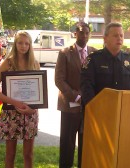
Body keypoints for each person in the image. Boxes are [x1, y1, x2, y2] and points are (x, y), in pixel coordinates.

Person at [0, 31, 40, 168]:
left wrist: (32, 109)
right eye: (20, 43)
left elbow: (40, 93)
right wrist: (14, 102)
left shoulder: (35, 64)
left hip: (29, 114)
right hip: (11, 114)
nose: (23, 46)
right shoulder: (7, 63)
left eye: (26, 43)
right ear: (15, 44)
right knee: (10, 154)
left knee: (28, 154)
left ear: (30, 45)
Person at [55, 21, 97, 168]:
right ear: (75, 33)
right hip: (69, 106)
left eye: (87, 32)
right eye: (81, 32)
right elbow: (59, 80)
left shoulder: (95, 53)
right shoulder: (65, 53)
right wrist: (77, 97)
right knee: (67, 144)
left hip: (88, 108)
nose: (84, 35)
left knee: (86, 145)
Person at [81, 22, 130, 110]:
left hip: (124, 111)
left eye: (121, 36)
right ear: (105, 39)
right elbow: (86, 88)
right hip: (100, 111)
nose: (119, 38)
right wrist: (95, 107)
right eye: (115, 36)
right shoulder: (94, 59)